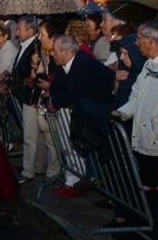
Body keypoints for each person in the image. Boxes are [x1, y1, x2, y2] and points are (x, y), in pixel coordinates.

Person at [111, 22, 158, 240]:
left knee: (156, 192)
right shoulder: (148, 65)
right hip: (141, 140)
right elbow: (137, 97)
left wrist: (155, 129)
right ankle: (146, 229)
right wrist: (121, 113)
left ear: (151, 42)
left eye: (139, 40)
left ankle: (155, 235)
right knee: (144, 188)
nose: (136, 43)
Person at [44, 35, 114, 198]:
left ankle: (100, 186)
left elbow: (74, 93)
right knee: (78, 147)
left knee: (96, 151)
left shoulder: (83, 64)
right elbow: (56, 88)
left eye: (55, 51)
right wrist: (53, 99)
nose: (52, 54)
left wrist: (54, 102)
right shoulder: (63, 64)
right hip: (85, 111)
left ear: (67, 52)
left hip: (99, 112)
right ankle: (83, 180)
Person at [3, 16, 46, 183]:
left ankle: (30, 171)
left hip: (32, 96)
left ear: (30, 30)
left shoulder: (36, 47)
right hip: (24, 95)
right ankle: (36, 167)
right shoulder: (25, 46)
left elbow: (32, 73)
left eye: (19, 29)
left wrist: (31, 75)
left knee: (31, 136)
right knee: (35, 135)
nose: (16, 33)